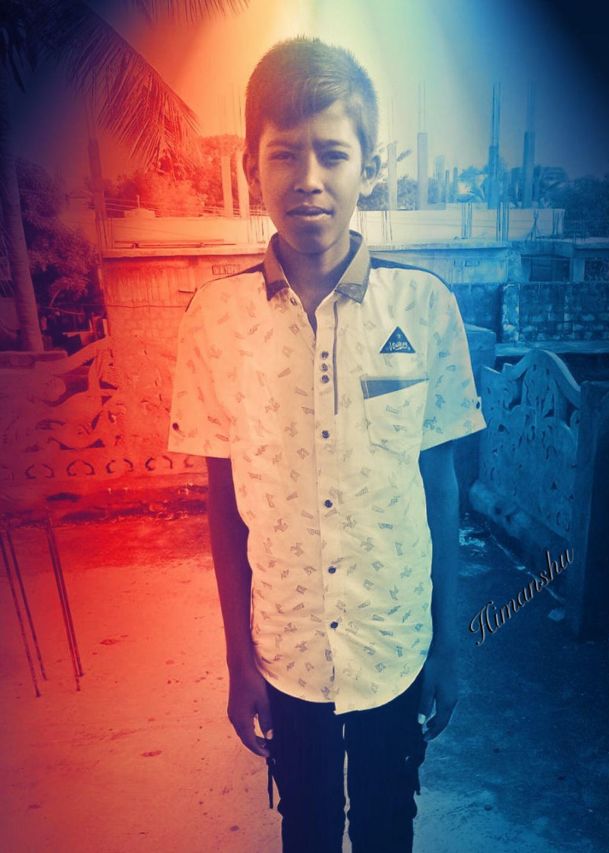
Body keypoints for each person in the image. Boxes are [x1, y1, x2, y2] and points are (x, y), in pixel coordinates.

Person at [168, 36, 486, 853]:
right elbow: (223, 506)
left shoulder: (424, 309)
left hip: (393, 642)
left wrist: (448, 644)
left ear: (367, 169)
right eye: (285, 154)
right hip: (287, 651)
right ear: (253, 167)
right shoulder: (216, 323)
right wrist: (239, 661)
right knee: (304, 824)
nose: (309, 178)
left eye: (333, 154)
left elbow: (441, 487)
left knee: (387, 823)